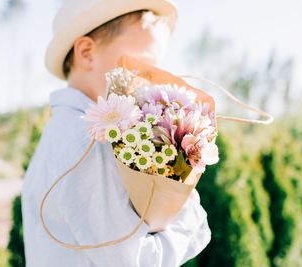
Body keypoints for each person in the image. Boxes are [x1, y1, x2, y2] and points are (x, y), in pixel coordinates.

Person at [21, 0, 211, 266]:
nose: (146, 80)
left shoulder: (61, 131)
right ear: (86, 53)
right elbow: (132, 260)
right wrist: (188, 212)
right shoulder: (89, 140)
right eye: (138, 66)